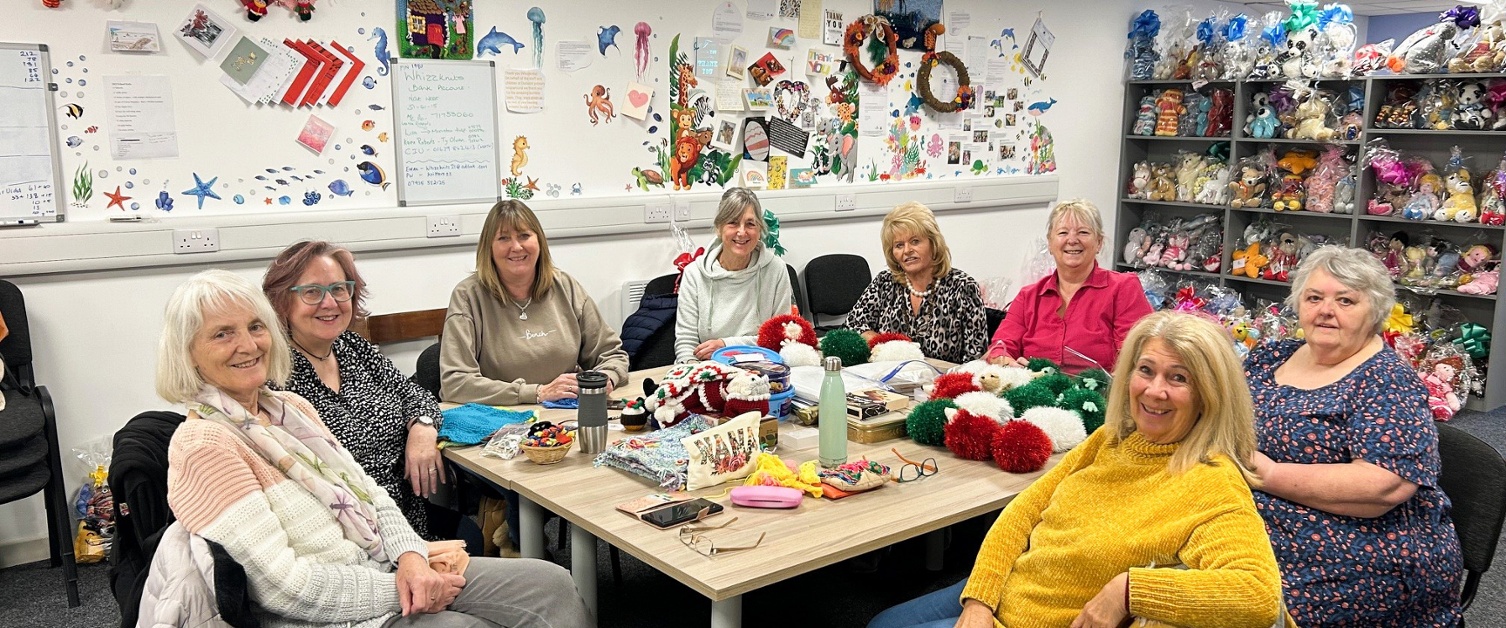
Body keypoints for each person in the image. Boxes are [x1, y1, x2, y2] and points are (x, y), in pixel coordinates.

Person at [154, 269, 589, 627]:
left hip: (382, 560)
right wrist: (407, 586)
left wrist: (412, 558)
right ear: (188, 354)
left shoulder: (288, 407)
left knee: (551, 583)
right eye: (222, 335)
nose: (247, 345)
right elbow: (281, 588)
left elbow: (370, 493)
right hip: (322, 613)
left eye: (254, 327)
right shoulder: (205, 445)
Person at [869, 311, 1285, 628]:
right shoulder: (1110, 438)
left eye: (1179, 378)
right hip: (1005, 587)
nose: (1155, 391)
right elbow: (1023, 512)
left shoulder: (1212, 481)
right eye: (1146, 370)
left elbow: (1257, 593)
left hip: (1028, 619)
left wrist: (1128, 591)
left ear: (1209, 395)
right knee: (881, 622)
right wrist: (980, 598)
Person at [1245, 246, 1462, 626]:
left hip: (1358, 549)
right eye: (1314, 298)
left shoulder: (1387, 381)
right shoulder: (1269, 357)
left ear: (1374, 312)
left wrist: (1269, 474)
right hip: (1249, 521)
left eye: (1345, 300)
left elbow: (1383, 486)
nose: (1326, 310)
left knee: (1225, 604)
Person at [262, 241, 445, 539]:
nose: (330, 303)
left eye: (338, 289)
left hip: (407, 523)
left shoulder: (352, 348)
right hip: (347, 540)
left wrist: (422, 428)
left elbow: (413, 393)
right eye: (312, 292)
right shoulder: (274, 374)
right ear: (282, 302)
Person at [441, 199, 629, 405]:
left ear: (539, 241)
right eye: (504, 238)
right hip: (502, 417)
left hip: (567, 411)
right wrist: (536, 392)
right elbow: (455, 383)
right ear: (489, 248)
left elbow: (612, 354)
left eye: (524, 235)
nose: (516, 247)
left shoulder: (565, 286)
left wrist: (606, 378)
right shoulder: (468, 296)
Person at [986, 199, 1152, 373]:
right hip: (1035, 392)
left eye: (1083, 232)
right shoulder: (1028, 296)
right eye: (1063, 232)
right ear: (1050, 243)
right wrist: (1008, 364)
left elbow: (1137, 355)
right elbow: (999, 348)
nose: (1072, 240)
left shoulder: (1123, 288)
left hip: (1099, 396)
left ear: (1099, 243)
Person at [846, 202, 986, 363]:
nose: (907, 250)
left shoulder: (963, 287)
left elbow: (976, 358)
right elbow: (852, 324)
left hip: (938, 382)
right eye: (899, 245)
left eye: (915, 241)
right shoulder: (885, 282)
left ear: (933, 244)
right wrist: (881, 344)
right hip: (887, 378)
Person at [675, 187, 793, 362]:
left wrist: (726, 345)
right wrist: (694, 373)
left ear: (760, 229)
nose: (742, 232)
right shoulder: (694, 274)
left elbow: (780, 337)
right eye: (733, 223)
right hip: (709, 370)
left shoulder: (776, 269)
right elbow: (686, 343)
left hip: (762, 366)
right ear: (719, 228)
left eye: (750, 224)